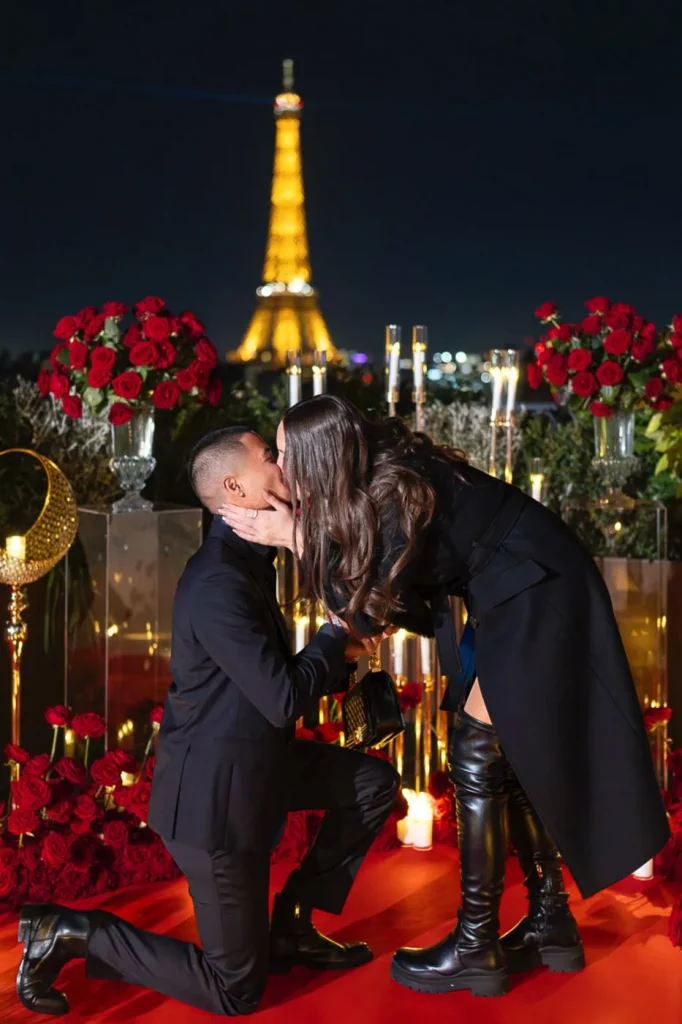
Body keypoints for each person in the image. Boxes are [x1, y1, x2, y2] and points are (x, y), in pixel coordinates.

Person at [220, 395, 670, 1000]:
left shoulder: (392, 489)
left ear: (322, 454)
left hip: (533, 585)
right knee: (495, 753)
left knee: (477, 752)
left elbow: (365, 599)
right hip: (520, 580)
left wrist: (295, 535)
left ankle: (477, 944)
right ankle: (548, 923)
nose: (281, 465)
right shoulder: (373, 475)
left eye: (286, 452)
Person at [17, 426, 399, 1018]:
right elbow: (281, 698)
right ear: (234, 487)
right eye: (271, 457)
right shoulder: (219, 579)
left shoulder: (250, 561)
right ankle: (69, 933)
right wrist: (332, 637)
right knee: (235, 990)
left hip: (254, 763)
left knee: (372, 784)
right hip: (216, 802)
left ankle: (293, 922)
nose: (284, 465)